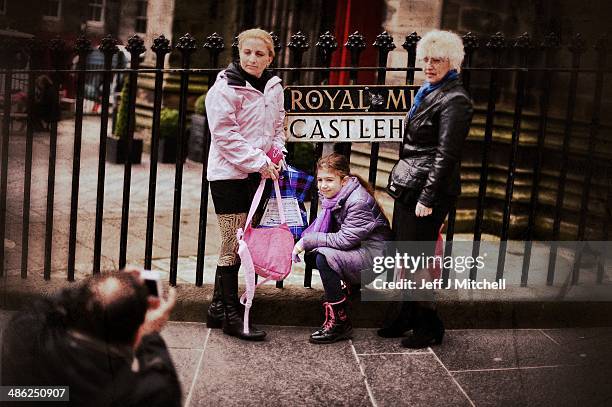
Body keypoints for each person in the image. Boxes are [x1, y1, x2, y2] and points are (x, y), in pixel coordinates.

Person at [380, 30, 473, 348]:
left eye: (437, 60)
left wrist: (428, 197)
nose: (429, 65)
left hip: (428, 189)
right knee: (406, 254)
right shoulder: (430, 91)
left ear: (454, 63)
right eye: (427, 59)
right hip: (411, 182)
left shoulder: (456, 101)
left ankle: (429, 323)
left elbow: (447, 155)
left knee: (417, 258)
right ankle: (407, 314)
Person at [205, 28, 285, 341]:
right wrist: (259, 162)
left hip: (259, 174)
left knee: (243, 243)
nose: (252, 58)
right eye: (247, 52)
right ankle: (229, 314)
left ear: (270, 57)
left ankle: (216, 308)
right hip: (229, 175)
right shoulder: (225, 86)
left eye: (259, 53)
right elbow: (224, 135)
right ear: (239, 53)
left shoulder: (274, 87)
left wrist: (277, 155)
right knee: (232, 243)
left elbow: (279, 126)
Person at [1, 269, 181, 407]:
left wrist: (99, 288)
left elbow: (43, 306)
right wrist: (150, 333)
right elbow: (163, 379)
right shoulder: (148, 393)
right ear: (135, 337)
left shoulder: (24, 334)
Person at [292, 153, 392, 344]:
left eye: (329, 180)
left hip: (377, 257)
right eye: (320, 180)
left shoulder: (358, 201)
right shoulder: (337, 196)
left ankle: (340, 322)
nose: (323, 185)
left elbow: (344, 239)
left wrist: (306, 241)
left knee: (323, 257)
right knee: (314, 257)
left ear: (344, 180)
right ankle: (350, 289)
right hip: (362, 249)